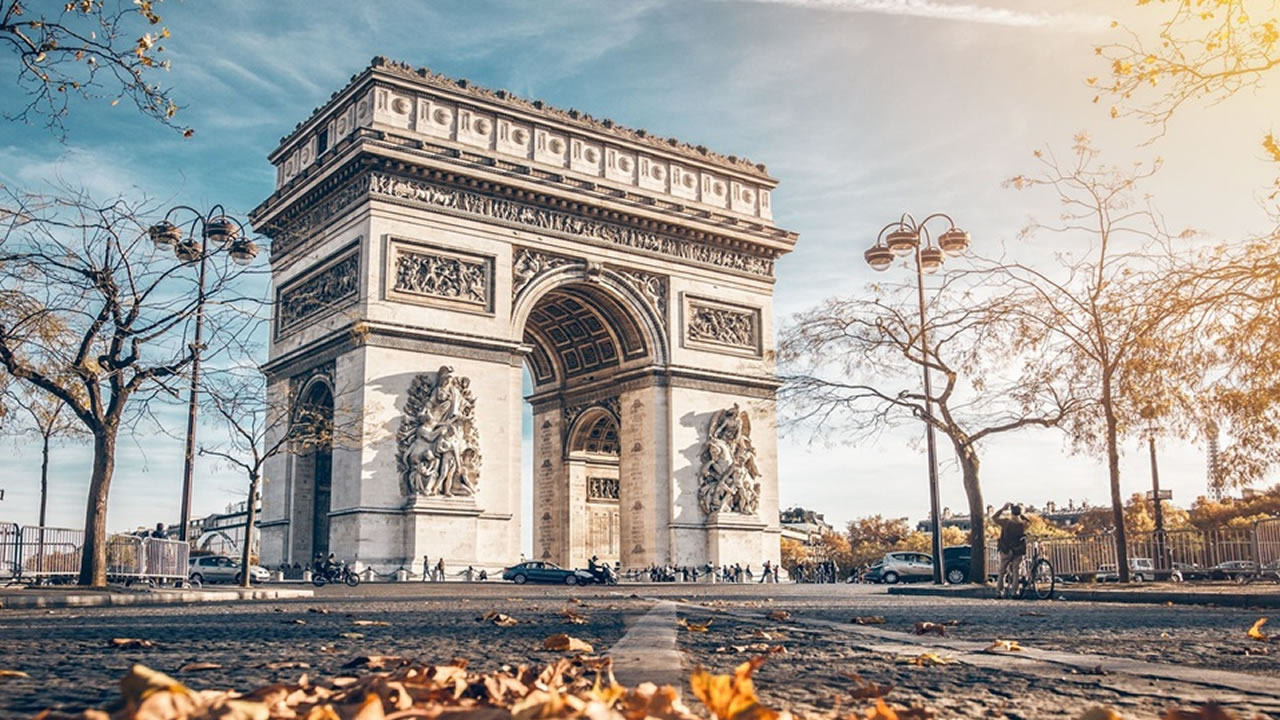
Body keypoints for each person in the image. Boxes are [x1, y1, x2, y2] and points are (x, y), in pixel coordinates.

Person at [993, 502, 1030, 598]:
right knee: (1016, 572)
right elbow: (1029, 522)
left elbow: (994, 517)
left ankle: (999, 591)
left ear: (1011, 512)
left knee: (1002, 571)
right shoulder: (1022, 524)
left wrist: (1003, 509)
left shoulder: (1005, 522)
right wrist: (1020, 513)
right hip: (1017, 550)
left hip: (1006, 549)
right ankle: (1015, 592)